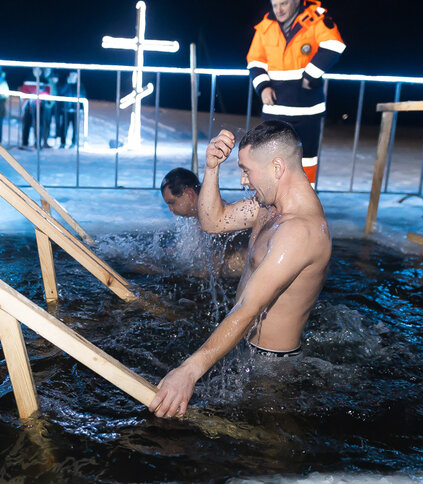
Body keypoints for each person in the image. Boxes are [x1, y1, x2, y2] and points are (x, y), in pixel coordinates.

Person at [149, 121, 332, 418]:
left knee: (262, 453)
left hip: (273, 369)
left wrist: (189, 370)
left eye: (246, 171)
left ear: (276, 167)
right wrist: (211, 169)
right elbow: (213, 222)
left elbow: (249, 308)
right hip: (246, 348)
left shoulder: (300, 232)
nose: (244, 181)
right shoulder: (268, 208)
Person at [246, 0, 345, 187]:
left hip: (307, 111)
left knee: (306, 160)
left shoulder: (315, 18)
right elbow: (254, 61)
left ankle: (306, 207)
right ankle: (272, 204)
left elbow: (334, 45)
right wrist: (263, 87)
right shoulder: (265, 25)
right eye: (275, 5)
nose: (278, 10)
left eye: (283, 4)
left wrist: (310, 75)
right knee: (270, 158)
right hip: (274, 110)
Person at [57, 71, 85, 149]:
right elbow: (61, 92)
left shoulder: (80, 85)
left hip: (76, 110)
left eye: (74, 75)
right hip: (66, 109)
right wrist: (67, 84)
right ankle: (63, 142)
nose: (73, 76)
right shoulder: (66, 84)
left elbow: (82, 95)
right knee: (64, 127)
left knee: (75, 128)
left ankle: (74, 142)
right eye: (71, 75)